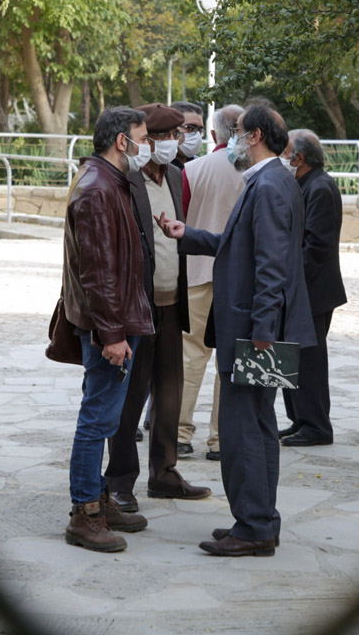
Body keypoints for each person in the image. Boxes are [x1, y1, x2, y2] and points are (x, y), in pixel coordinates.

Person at [157, 100, 315, 557]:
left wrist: (262, 329)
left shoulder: (269, 184)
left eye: (240, 131)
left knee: (244, 429)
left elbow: (270, 265)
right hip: (258, 327)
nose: (232, 141)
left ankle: (254, 527)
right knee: (258, 427)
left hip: (255, 331)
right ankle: (258, 519)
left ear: (256, 137)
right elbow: (238, 245)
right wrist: (188, 235)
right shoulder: (271, 180)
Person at [106, 104, 212, 510]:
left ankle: (164, 474)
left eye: (174, 136)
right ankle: (120, 482)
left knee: (169, 395)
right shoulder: (126, 179)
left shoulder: (176, 176)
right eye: (162, 136)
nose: (171, 143)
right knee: (129, 399)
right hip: (137, 307)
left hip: (172, 303)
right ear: (143, 140)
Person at [61, 107, 154, 552]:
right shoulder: (98, 188)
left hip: (116, 320)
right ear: (122, 141)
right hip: (108, 326)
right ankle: (85, 512)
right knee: (97, 418)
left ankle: (97, 498)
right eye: (143, 138)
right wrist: (112, 334)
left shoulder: (108, 180)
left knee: (104, 415)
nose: (147, 146)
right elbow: (98, 272)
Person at [176, 104, 245, 461]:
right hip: (239, 279)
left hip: (197, 272)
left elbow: (180, 219)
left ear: (214, 133)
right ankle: (221, 438)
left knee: (191, 356)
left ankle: (179, 433)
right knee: (229, 362)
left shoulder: (192, 169)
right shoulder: (255, 170)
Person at [278, 129, 346, 446]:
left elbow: (316, 247)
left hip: (312, 292)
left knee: (310, 362)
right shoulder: (306, 183)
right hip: (303, 290)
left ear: (299, 159)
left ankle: (316, 426)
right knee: (294, 358)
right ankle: (300, 420)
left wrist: (289, 283)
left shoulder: (319, 187)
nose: (281, 158)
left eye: (285, 153)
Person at [171, 101, 205, 167]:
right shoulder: (160, 167)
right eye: (190, 128)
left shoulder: (201, 166)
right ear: (172, 128)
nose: (197, 135)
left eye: (199, 130)